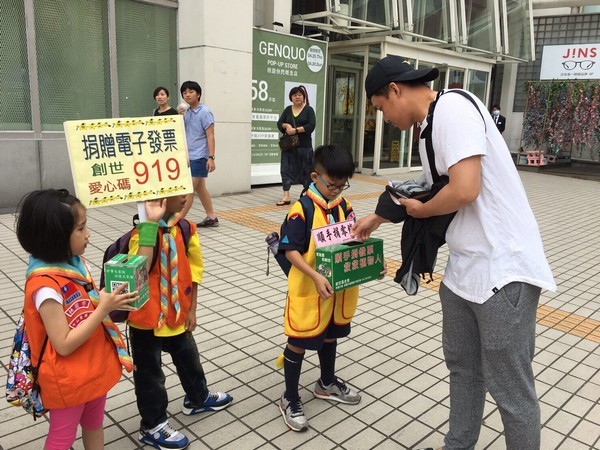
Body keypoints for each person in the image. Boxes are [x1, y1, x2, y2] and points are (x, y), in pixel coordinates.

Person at [353, 55, 556, 450]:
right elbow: (433, 186)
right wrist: (379, 217)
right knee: (463, 369)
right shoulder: (428, 126)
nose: (384, 119)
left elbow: (464, 189)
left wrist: (422, 211)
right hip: (465, 271)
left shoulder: (453, 110)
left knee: (511, 391)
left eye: (381, 109)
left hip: (503, 270)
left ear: (394, 90)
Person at [16, 189, 135, 450]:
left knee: (94, 423)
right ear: (55, 237)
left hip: (93, 367)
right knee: (62, 438)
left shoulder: (76, 265)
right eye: (80, 229)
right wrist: (102, 309)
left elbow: (86, 305)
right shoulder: (45, 286)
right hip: (68, 380)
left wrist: (104, 299)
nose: (88, 234)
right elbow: (64, 344)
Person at [128, 194, 233, 450]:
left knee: (189, 358)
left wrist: (192, 309)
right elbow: (135, 274)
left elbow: (195, 271)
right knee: (150, 375)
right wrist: (149, 230)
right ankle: (153, 425)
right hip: (145, 320)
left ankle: (198, 397)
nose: (186, 197)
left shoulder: (186, 230)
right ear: (158, 198)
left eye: (187, 190)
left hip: (177, 313)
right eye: (179, 192)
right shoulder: (138, 234)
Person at [277, 145, 364, 432]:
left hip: (338, 291)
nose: (337, 190)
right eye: (332, 184)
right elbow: (290, 251)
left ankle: (326, 382)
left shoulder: (344, 206)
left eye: (343, 185)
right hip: (309, 289)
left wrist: (371, 265)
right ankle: (289, 397)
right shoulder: (301, 209)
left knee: (330, 336)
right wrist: (314, 276)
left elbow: (353, 242)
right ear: (316, 176)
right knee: (299, 341)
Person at [178, 81, 218, 227]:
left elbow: (210, 136)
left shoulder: (205, 112)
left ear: (198, 94)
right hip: (190, 156)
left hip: (200, 156)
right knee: (200, 189)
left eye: (191, 91)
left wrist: (211, 157)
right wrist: (179, 117)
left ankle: (177, 221)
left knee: (189, 190)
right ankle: (212, 217)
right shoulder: (186, 112)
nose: (187, 95)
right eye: (184, 92)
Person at [276, 85, 316, 206]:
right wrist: (285, 126)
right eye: (294, 95)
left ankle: (309, 194)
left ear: (304, 97)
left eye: (299, 95)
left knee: (307, 170)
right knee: (285, 169)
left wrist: (296, 130)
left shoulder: (308, 110)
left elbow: (311, 126)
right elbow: (279, 123)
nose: (297, 97)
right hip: (289, 147)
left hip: (304, 147)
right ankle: (286, 195)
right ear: (291, 97)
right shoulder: (288, 109)